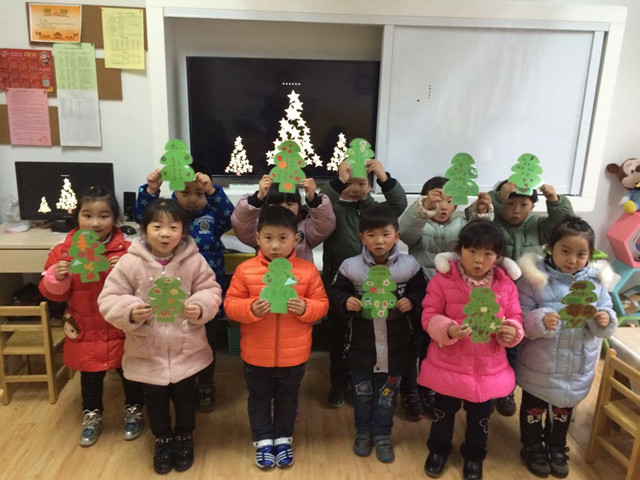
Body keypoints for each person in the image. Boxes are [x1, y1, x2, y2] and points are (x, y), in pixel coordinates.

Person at [98, 199, 222, 474]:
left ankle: (185, 435)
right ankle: (163, 439)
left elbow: (211, 290)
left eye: (173, 227)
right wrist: (130, 311)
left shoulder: (194, 261)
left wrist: (200, 306)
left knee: (186, 398)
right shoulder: (130, 263)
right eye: (157, 227)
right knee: (154, 401)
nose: (165, 234)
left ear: (183, 231)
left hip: (187, 350)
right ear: (144, 230)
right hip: (147, 352)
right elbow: (109, 298)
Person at [38, 186, 145, 447]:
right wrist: (57, 277)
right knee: (89, 375)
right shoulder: (63, 252)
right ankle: (92, 414)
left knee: (129, 371)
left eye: (104, 216)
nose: (95, 223)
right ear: (77, 216)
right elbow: (52, 294)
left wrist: (128, 269)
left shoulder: (128, 249)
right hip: (85, 324)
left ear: (115, 218)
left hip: (120, 324)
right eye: (87, 215)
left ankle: (134, 410)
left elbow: (145, 287)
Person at [224, 206, 328, 470]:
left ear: (296, 238)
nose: (275, 245)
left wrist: (305, 308)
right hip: (255, 354)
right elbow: (230, 304)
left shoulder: (307, 271)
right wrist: (250, 308)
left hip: (294, 354)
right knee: (258, 398)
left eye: (283, 238)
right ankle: (262, 441)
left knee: (288, 397)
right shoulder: (245, 270)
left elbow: (322, 304)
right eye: (268, 237)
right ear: (257, 238)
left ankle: (283, 439)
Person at [420, 220, 524, 480]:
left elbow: (515, 317)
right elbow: (429, 314)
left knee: (480, 418)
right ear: (460, 250)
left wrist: (511, 331)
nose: (479, 260)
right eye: (472, 251)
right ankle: (438, 450)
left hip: (488, 368)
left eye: (488, 253)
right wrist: (448, 330)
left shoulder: (505, 285)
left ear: (498, 256)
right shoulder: (443, 281)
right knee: (443, 414)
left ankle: (475, 456)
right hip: (449, 365)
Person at [515, 216, 617, 479]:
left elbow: (606, 309)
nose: (572, 259)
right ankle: (532, 446)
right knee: (533, 408)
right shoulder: (533, 279)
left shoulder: (597, 281)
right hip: (541, 363)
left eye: (581, 254)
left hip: (577, 363)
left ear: (590, 254)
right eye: (565, 251)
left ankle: (557, 445)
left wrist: (604, 319)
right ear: (551, 247)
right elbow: (520, 317)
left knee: (564, 408)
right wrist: (541, 321)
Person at [329, 204, 426, 463]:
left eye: (385, 234)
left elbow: (422, 293)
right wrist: (345, 301)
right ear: (362, 238)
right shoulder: (350, 267)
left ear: (397, 236)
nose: (379, 241)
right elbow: (335, 293)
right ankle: (363, 432)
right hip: (361, 350)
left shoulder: (409, 266)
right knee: (362, 396)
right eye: (371, 235)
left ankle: (382, 434)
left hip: (396, 350)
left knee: (387, 397)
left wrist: (412, 302)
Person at [134, 162, 233, 413]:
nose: (192, 199)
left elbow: (230, 216)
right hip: (170, 294)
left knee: (206, 341)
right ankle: (178, 385)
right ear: (175, 191)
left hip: (205, 295)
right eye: (185, 192)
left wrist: (212, 192)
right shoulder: (167, 218)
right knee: (176, 341)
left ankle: (206, 385)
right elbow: (143, 218)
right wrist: (150, 190)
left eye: (199, 193)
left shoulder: (213, 215)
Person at [398, 176, 493, 419]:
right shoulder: (420, 222)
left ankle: (429, 390)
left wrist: (481, 212)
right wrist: (423, 209)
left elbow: (481, 237)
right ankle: (409, 391)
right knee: (414, 344)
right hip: (420, 291)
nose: (443, 207)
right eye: (437, 200)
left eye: (449, 201)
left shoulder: (463, 224)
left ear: (457, 204)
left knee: (440, 344)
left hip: (453, 296)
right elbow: (405, 233)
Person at [320, 159, 408, 409]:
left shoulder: (374, 209)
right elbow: (317, 205)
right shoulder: (333, 208)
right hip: (341, 283)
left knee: (367, 338)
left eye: (361, 183)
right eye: (349, 183)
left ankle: (366, 381)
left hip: (375, 284)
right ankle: (338, 382)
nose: (355, 188)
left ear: (370, 185)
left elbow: (399, 204)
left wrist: (383, 176)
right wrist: (338, 182)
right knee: (338, 337)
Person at [485, 179, 574, 417]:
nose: (516, 211)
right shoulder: (492, 223)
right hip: (494, 294)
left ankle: (506, 391)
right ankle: (488, 389)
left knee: (515, 344)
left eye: (523, 205)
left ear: (533, 207)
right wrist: (497, 198)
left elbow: (563, 224)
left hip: (525, 297)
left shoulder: (538, 225)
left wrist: (555, 201)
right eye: (510, 203)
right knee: (490, 342)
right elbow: (477, 218)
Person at [231, 174, 335, 263]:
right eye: (276, 204)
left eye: (290, 204)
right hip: (264, 276)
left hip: (300, 277)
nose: (284, 208)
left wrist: (313, 200)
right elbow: (241, 225)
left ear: (299, 206)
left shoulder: (306, 226)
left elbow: (325, 225)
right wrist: (257, 198)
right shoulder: (261, 225)